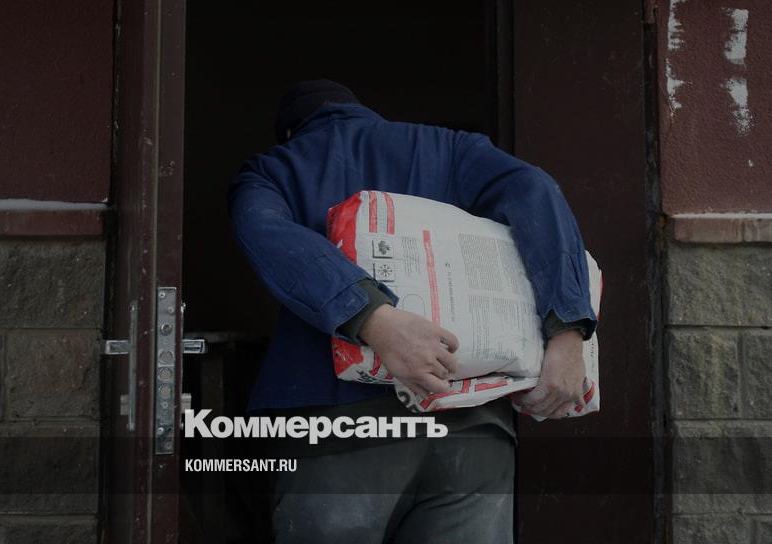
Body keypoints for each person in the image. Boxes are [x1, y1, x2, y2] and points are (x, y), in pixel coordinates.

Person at [228, 80, 597, 543]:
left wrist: (372, 317)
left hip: (339, 429)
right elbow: (536, 190)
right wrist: (567, 328)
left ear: (290, 132)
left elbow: (267, 233)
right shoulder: (451, 148)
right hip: (470, 427)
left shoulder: (272, 170)